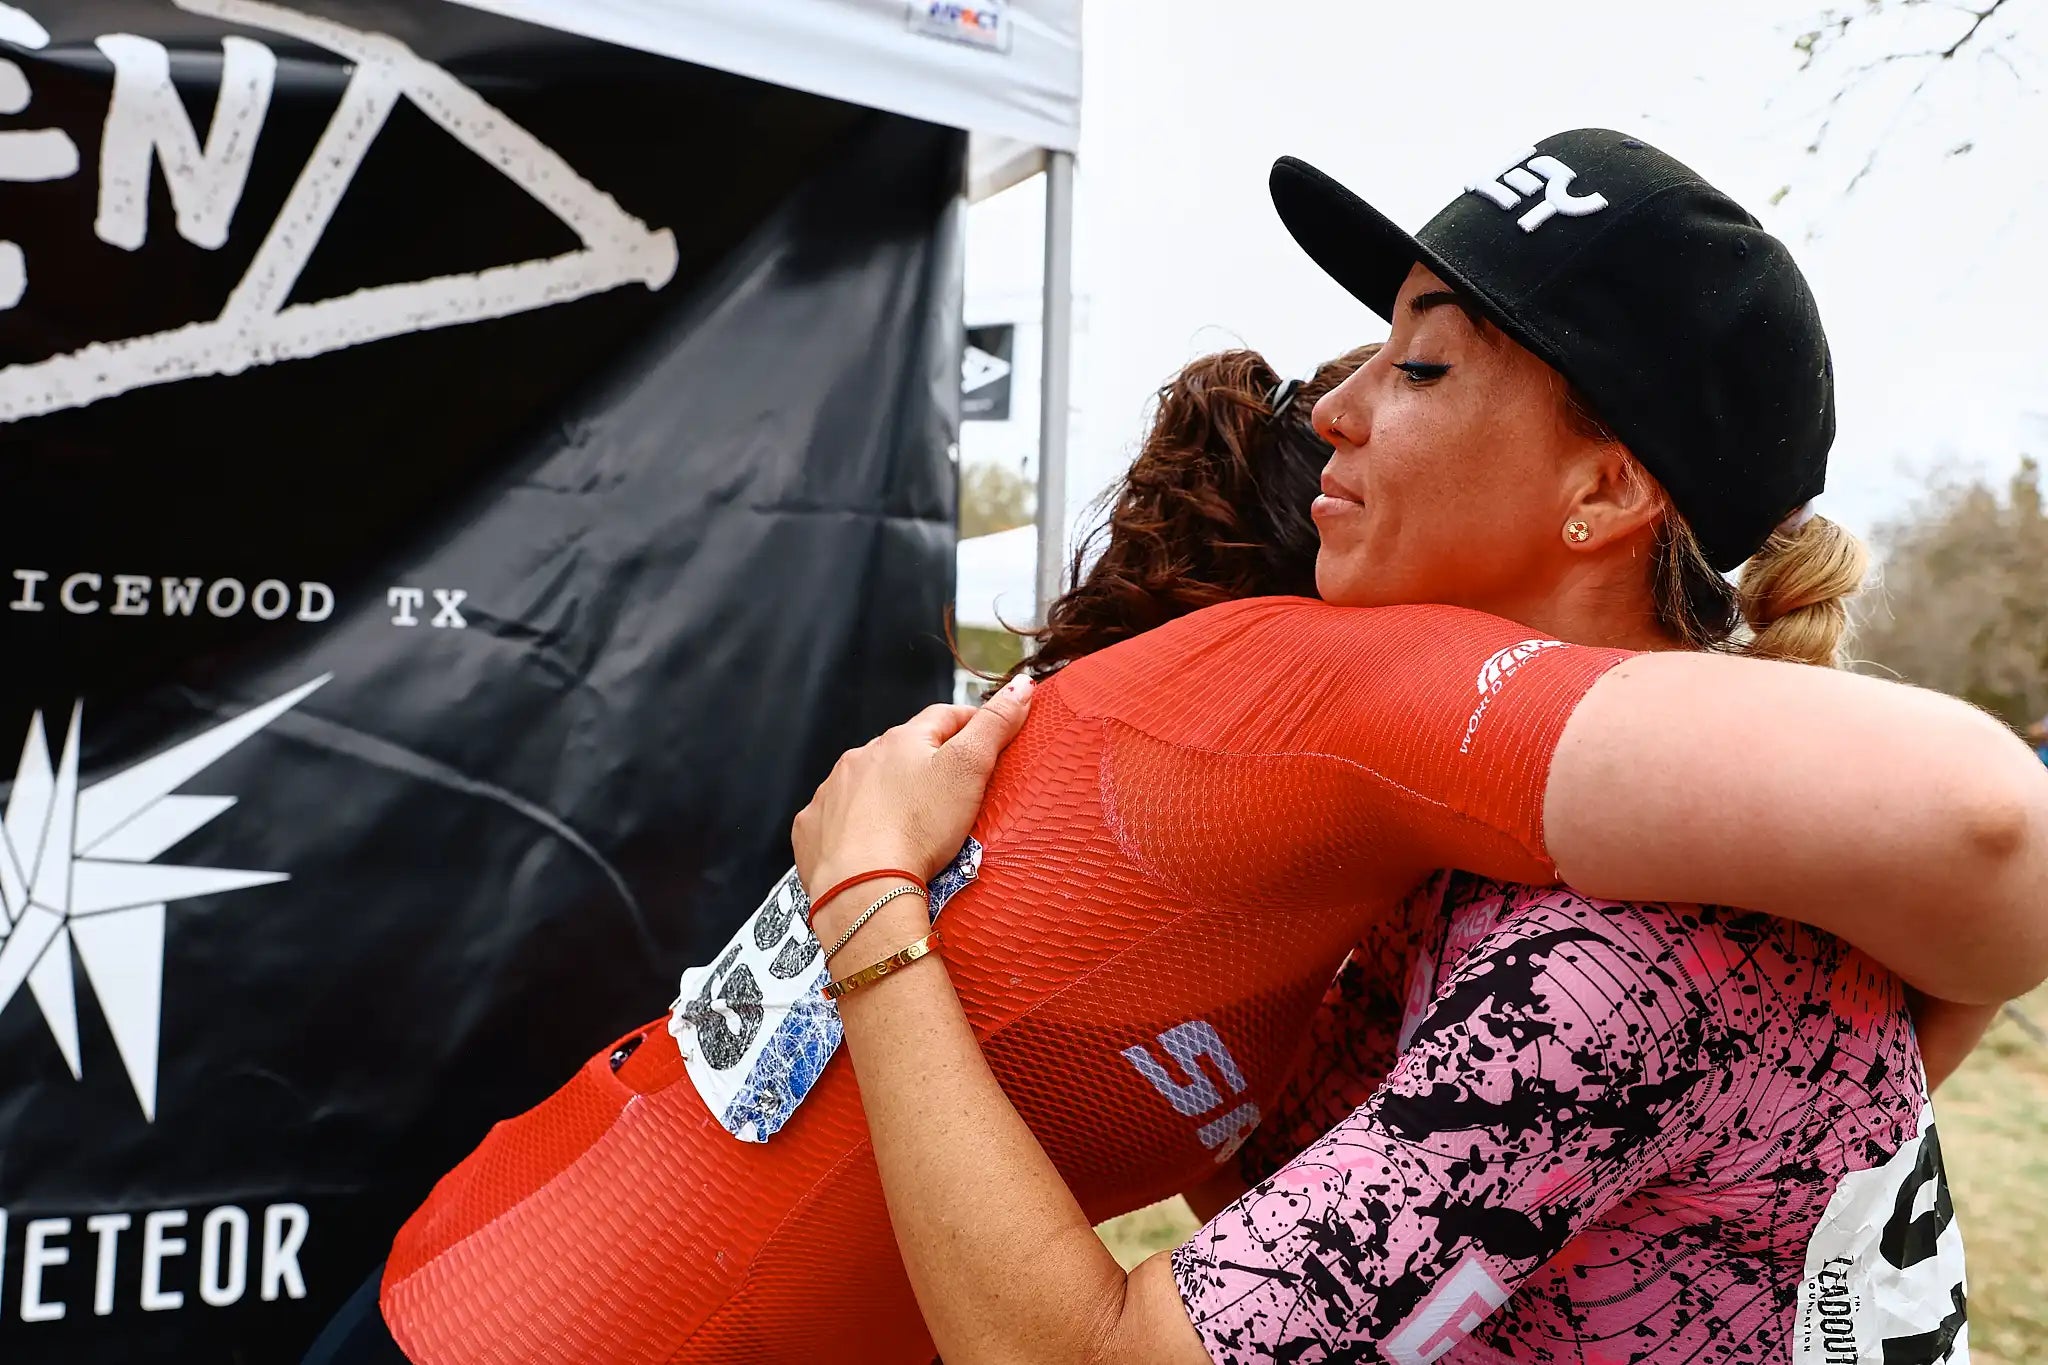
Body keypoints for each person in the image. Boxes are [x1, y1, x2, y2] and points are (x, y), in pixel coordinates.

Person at [366, 136, 2045, 1365]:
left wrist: (871, 904)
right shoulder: (1478, 850)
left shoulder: (1632, 953)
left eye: (1422, 362)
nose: (1338, 406)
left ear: (1607, 490)